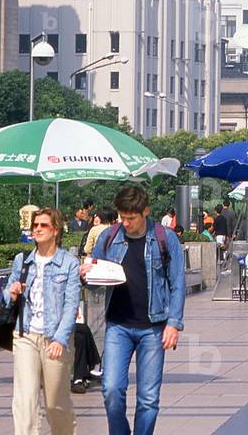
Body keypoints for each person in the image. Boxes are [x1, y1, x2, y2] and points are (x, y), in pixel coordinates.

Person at [84, 186, 186, 435]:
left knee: (148, 398)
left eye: (131, 217)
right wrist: (86, 275)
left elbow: (178, 284)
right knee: (110, 389)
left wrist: (173, 323)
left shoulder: (165, 238)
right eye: (122, 217)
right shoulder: (109, 237)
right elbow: (95, 275)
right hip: (118, 325)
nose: (126, 223)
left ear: (145, 212)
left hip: (153, 327)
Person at [5, 207, 81, 435]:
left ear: (55, 230)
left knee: (55, 405)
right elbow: (6, 297)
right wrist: (12, 292)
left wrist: (60, 339)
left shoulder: (69, 263)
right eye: (35, 225)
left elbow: (71, 305)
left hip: (55, 339)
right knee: (24, 401)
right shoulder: (22, 261)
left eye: (43, 225)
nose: (37, 229)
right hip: (25, 335)